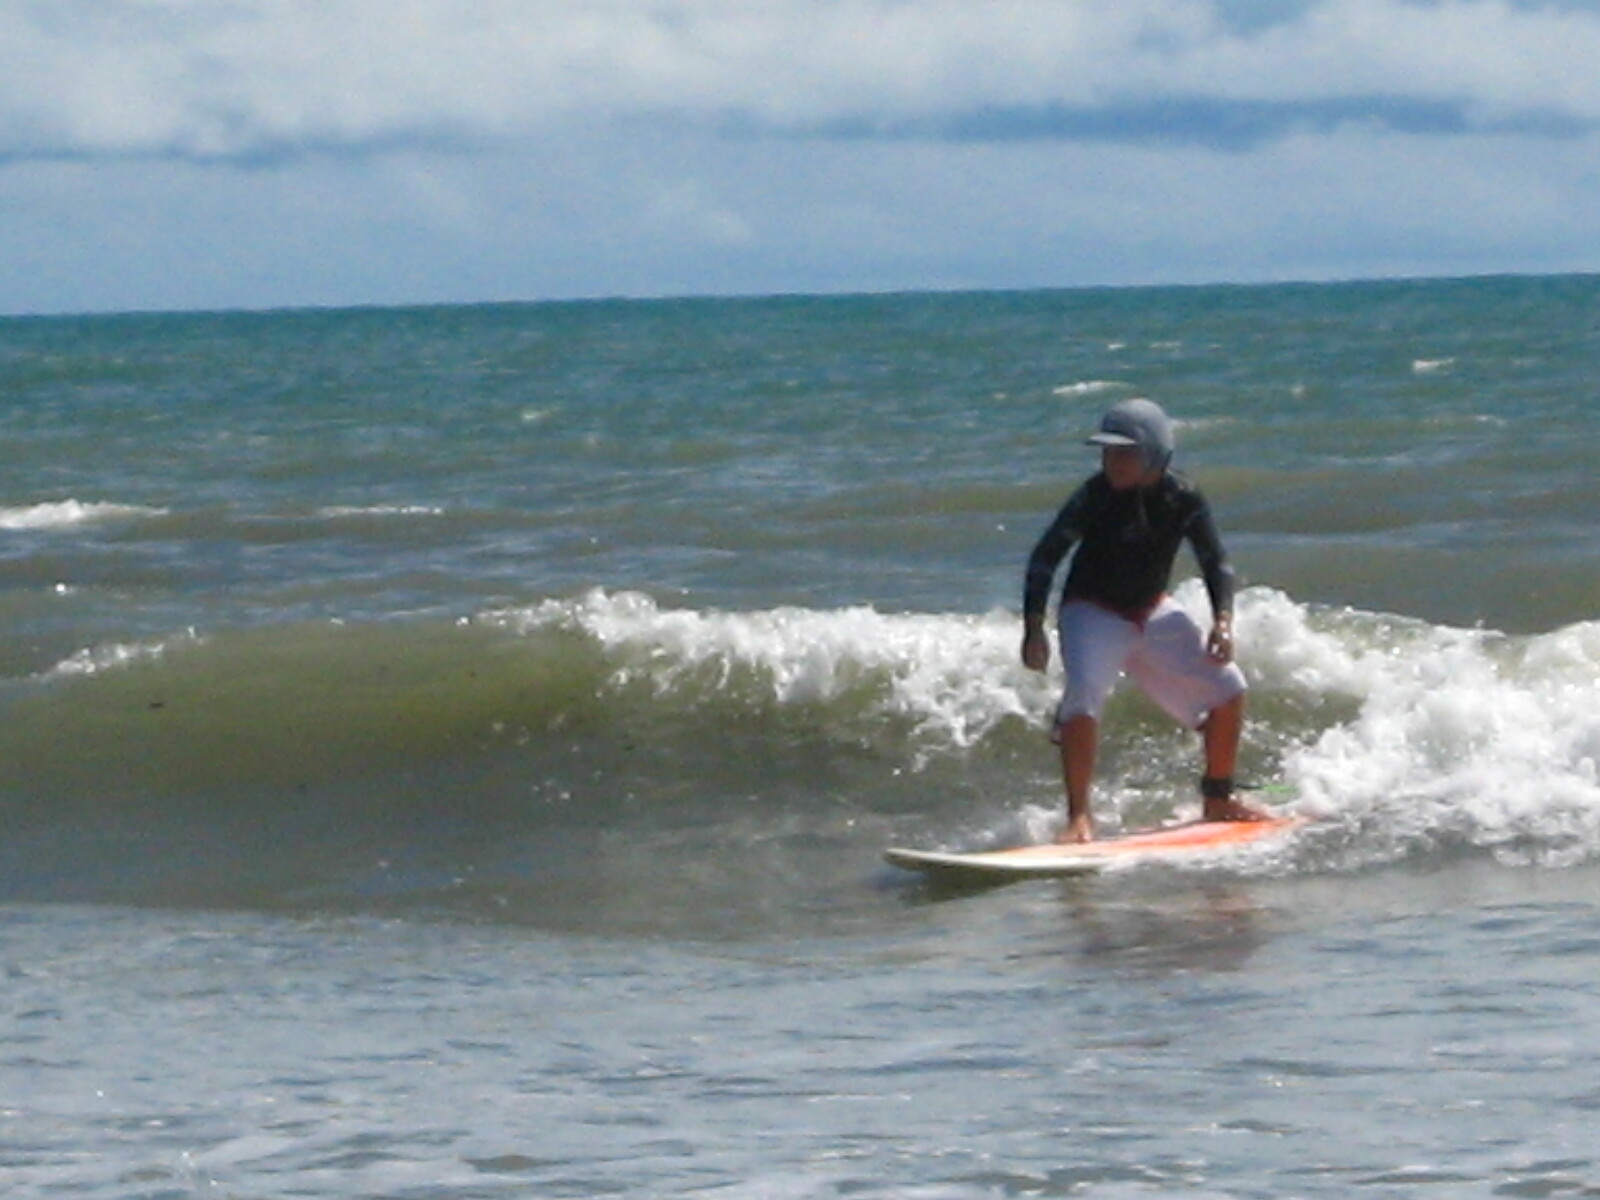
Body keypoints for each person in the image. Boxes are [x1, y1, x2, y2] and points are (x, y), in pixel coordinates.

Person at [1020, 398, 1267, 843]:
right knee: (1083, 694)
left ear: (1153, 453)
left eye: (1123, 452)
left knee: (1229, 689)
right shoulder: (1093, 497)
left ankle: (1217, 797)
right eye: (1106, 452)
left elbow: (1216, 562)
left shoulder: (1183, 497)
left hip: (1151, 611)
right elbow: (1045, 559)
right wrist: (1034, 627)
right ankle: (1079, 818)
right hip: (1091, 612)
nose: (1110, 461)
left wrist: (1223, 621)